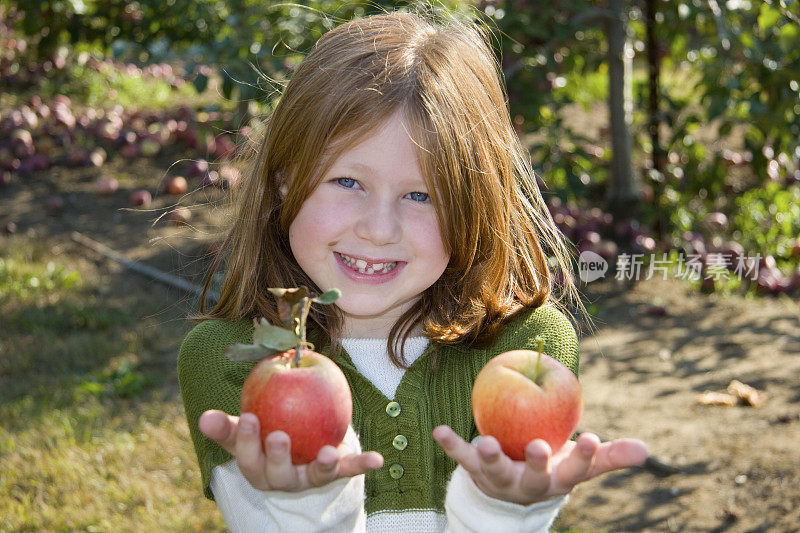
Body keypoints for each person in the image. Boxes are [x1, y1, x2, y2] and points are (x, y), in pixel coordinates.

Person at [178, 8, 647, 532]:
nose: (379, 229)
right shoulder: (231, 363)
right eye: (348, 182)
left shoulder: (526, 350)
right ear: (286, 176)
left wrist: (503, 508)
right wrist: (305, 505)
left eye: (421, 195)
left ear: (471, 206)